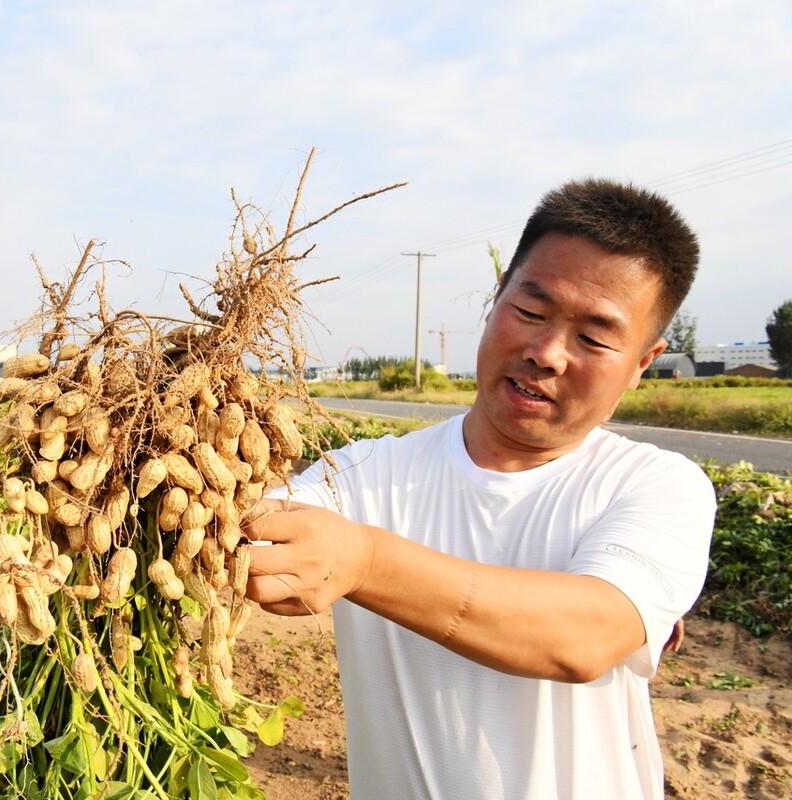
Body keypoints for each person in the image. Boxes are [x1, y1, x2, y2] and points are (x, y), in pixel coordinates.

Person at [243, 179, 715, 800]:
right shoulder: (360, 477)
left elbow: (584, 636)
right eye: (530, 312)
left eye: (594, 338)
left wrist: (364, 560)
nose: (546, 353)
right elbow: (256, 533)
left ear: (643, 363)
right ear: (495, 302)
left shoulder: (657, 486)